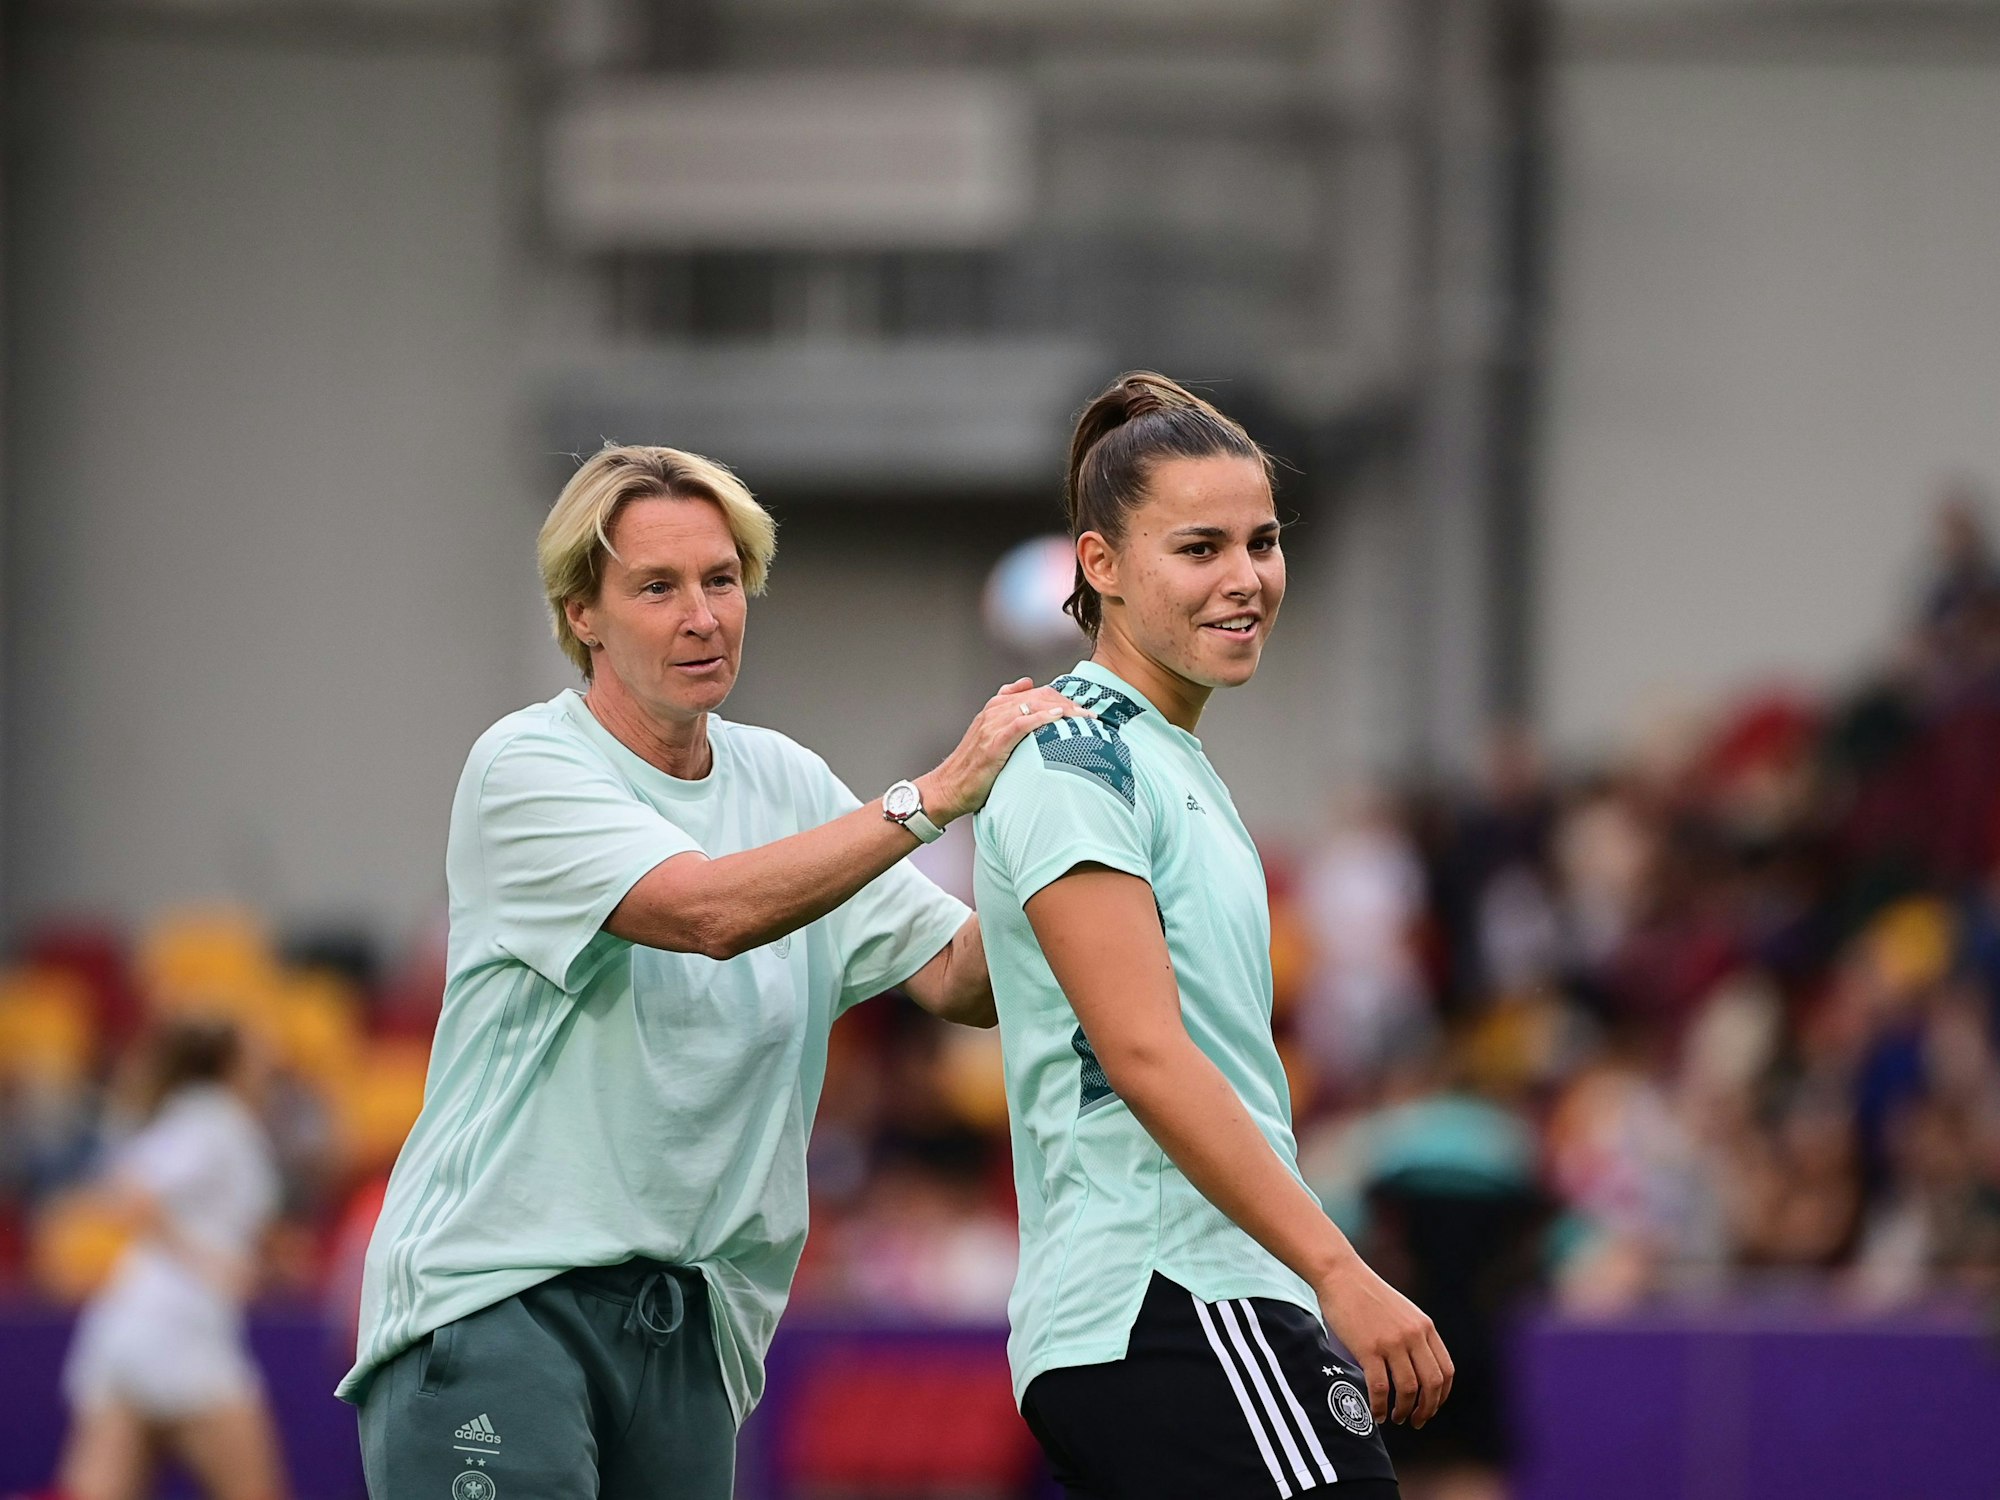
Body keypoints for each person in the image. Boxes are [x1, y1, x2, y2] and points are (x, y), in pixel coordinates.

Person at [337, 444, 1089, 1499]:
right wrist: (937, 794)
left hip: (694, 1335)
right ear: (580, 613)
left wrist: (1048, 820)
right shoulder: (527, 765)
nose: (702, 614)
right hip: (498, 1301)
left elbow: (961, 977)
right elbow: (707, 913)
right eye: (657, 586)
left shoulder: (784, 778)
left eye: (721, 579)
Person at [973, 374, 1453, 1499]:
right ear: (1099, 566)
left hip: (1187, 1296)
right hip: (1174, 1292)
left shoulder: (1163, 757)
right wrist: (1338, 1270)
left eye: (1262, 542)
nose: (1245, 578)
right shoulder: (1076, 752)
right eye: (1198, 548)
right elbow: (1141, 1053)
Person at [55, 1016, 287, 1500]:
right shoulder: (216, 1117)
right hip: (181, 1331)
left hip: (125, 1330)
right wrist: (209, 1262)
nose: (270, 1061)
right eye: (256, 1050)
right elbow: (130, 1191)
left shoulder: (191, 1116)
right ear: (228, 1063)